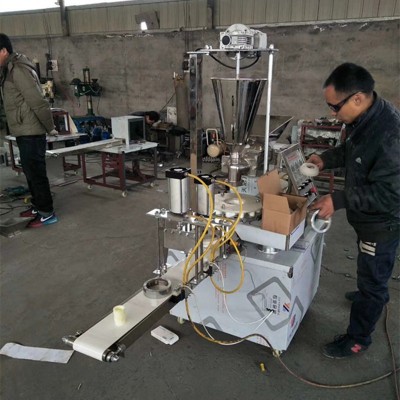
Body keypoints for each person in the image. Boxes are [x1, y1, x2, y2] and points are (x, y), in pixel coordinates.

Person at [308, 63, 400, 359]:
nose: (333, 114)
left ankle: (358, 339)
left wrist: (337, 200)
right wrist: (325, 159)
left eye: (335, 107)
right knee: (368, 266)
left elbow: (389, 194)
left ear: (357, 98)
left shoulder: (389, 135)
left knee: (373, 278)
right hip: (366, 218)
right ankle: (368, 294)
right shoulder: (365, 120)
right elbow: (351, 152)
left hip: (382, 223)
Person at [0, 33, 58, 228]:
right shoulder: (8, 69)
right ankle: (38, 206)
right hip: (23, 129)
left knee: (36, 173)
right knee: (30, 172)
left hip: (31, 131)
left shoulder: (18, 70)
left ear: (3, 51)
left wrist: (50, 127)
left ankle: (47, 213)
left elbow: (38, 101)